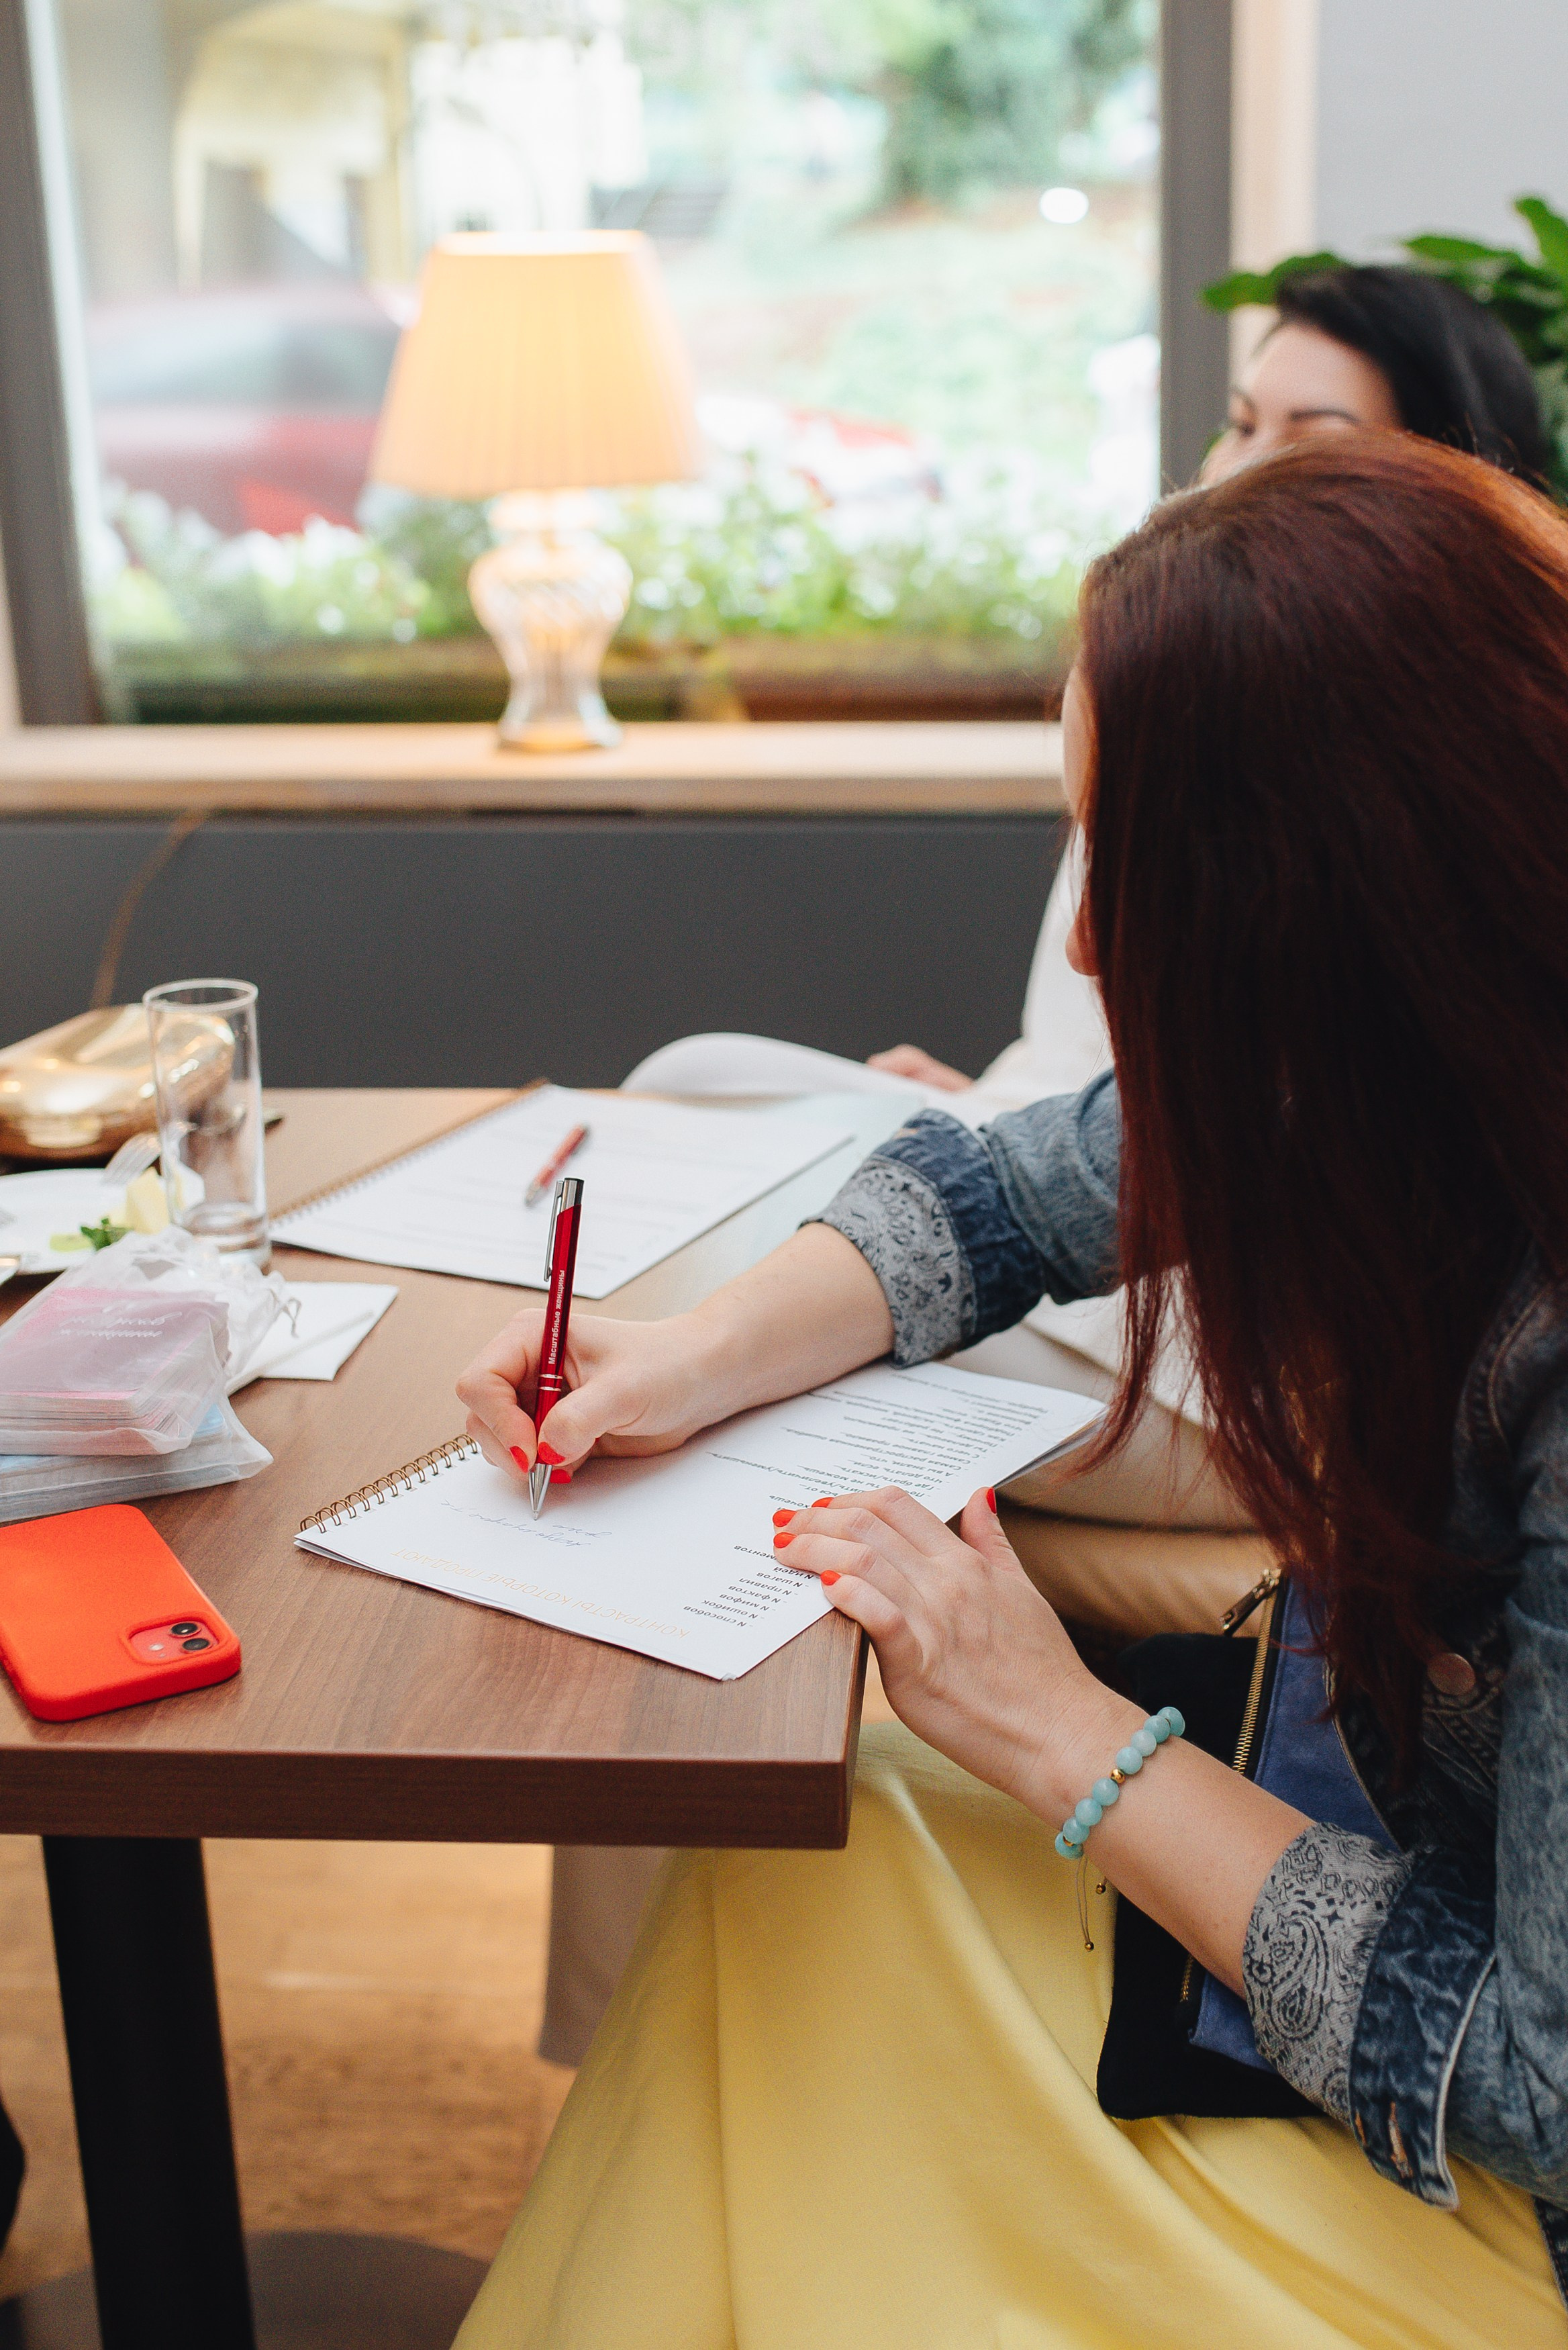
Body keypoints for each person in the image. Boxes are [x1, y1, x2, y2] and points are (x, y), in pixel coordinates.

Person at [453, 435, 1568, 2345]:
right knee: (803, 1860)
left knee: (834, 1950)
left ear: (1335, 893)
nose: (1083, 942)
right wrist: (685, 1357)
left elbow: (1541, 2081)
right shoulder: (1399, 1062)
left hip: (1507, 2216)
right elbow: (1002, 1185)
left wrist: (1067, 1734)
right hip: (1382, 1878)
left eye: (1126, 868)